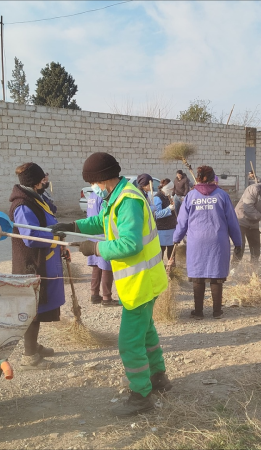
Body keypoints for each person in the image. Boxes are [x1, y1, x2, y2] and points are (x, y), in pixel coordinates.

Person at [50, 152, 171, 417]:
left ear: (102, 179)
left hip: (140, 282)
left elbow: (130, 244)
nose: (92, 188)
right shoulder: (117, 196)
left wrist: (95, 247)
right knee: (147, 333)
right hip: (144, 280)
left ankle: (141, 395)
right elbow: (101, 221)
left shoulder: (127, 201)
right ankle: (158, 377)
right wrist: (72, 225)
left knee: (129, 342)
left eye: (92, 182)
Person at [9, 163, 67, 370]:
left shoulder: (35, 198)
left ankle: (33, 345)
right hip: (31, 265)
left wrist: (59, 244)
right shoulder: (23, 206)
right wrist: (56, 238)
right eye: (43, 178)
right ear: (36, 182)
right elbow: (31, 237)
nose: (46, 181)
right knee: (33, 308)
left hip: (42, 260)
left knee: (39, 306)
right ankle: (29, 356)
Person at [173, 166, 242, 320]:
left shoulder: (190, 196)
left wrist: (176, 238)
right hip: (217, 241)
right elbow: (232, 220)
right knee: (216, 275)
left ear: (197, 178)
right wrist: (238, 241)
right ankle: (217, 311)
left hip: (196, 241)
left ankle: (198, 312)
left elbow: (182, 221)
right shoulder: (222, 195)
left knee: (198, 275)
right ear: (213, 177)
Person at [85, 190, 116, 307]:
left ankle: (94, 295)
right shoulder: (103, 196)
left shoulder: (92, 195)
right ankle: (107, 297)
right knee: (106, 267)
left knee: (97, 267)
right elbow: (105, 217)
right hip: (103, 235)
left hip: (92, 234)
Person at [155, 177, 178, 261]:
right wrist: (168, 209)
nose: (172, 190)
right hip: (162, 230)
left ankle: (171, 268)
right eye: (171, 189)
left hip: (171, 228)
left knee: (172, 251)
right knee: (161, 251)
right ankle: (160, 269)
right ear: (167, 188)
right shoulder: (158, 197)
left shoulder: (168, 196)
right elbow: (156, 214)